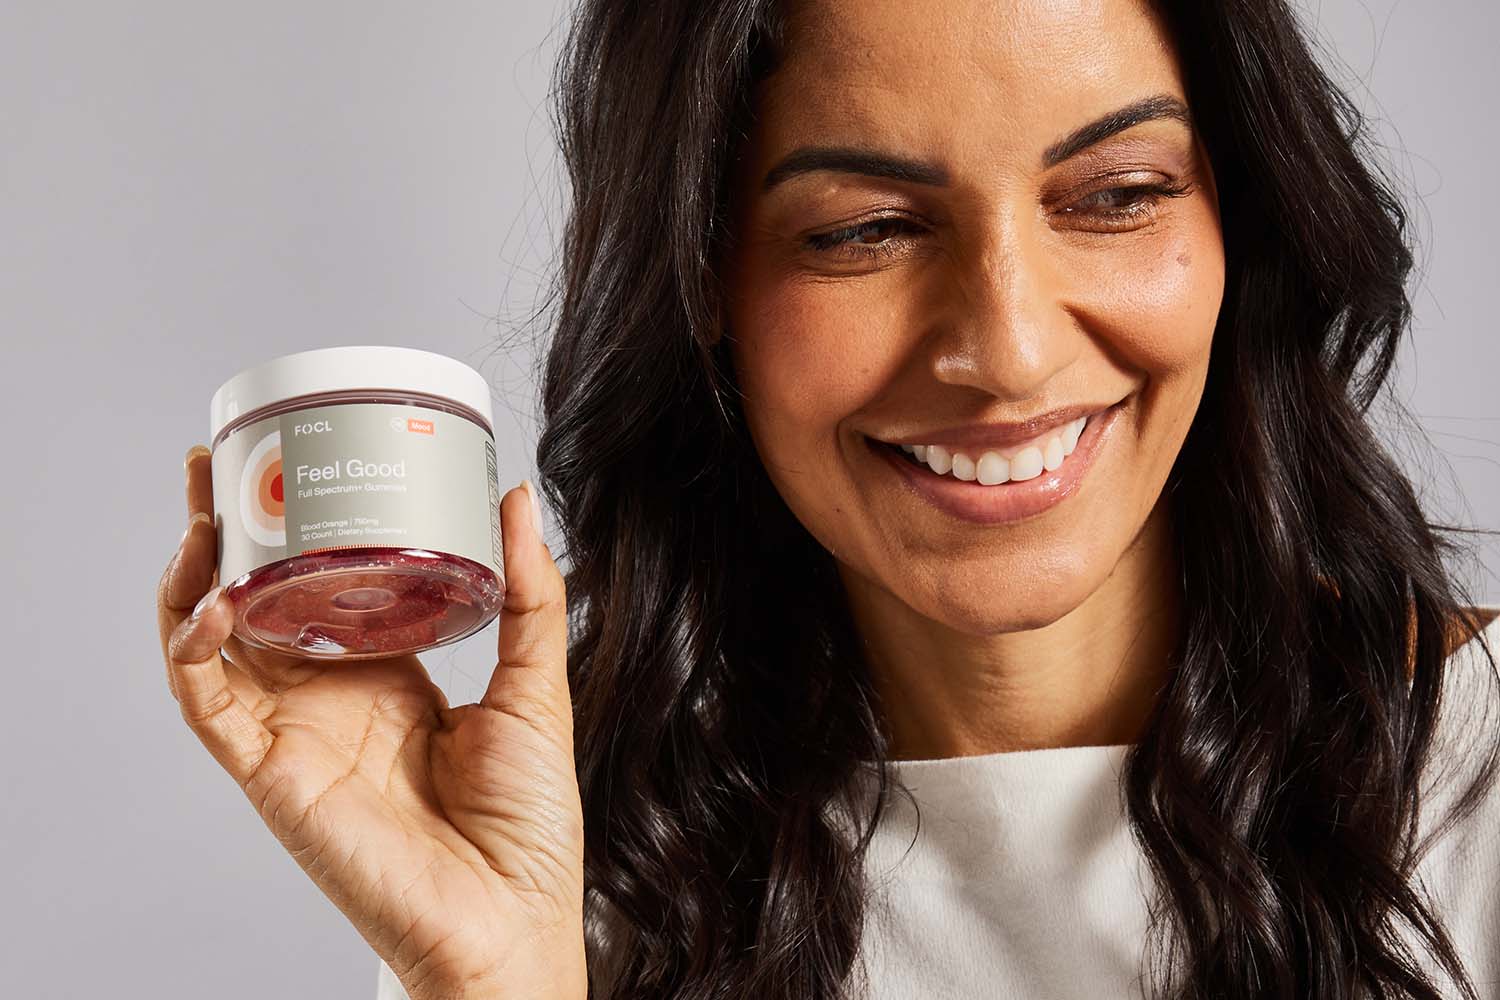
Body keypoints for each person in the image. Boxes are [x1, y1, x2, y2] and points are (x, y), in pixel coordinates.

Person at [156, 1, 1500, 998]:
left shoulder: (1477, 782)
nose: (1011, 348)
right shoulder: (569, 862)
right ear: (699, 295)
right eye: (865, 229)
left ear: (1240, 222)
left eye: (1117, 195)